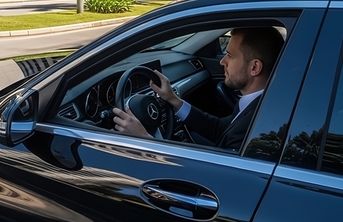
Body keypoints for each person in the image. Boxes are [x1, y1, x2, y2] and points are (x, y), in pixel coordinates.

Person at [112, 27, 284, 151]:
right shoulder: (260, 101)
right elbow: (220, 129)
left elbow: (218, 178)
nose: (222, 62)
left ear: (254, 67)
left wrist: (145, 141)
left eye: (230, 56)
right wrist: (173, 100)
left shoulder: (259, 126)